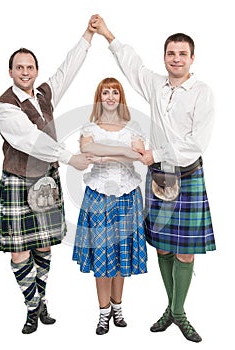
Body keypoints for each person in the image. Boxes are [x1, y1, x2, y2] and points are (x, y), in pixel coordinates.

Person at [90, 15, 216, 343]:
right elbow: (130, 62)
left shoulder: (202, 92)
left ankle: (178, 312)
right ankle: (172, 309)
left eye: (182, 54)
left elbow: (195, 144)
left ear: (192, 58)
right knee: (162, 248)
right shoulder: (156, 85)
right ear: (165, 57)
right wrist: (106, 33)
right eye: (171, 53)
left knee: (186, 252)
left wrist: (154, 153)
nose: (176, 59)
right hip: (159, 178)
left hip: (186, 176)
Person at [0, 22, 95, 334]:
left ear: (36, 70)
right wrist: (70, 157)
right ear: (10, 71)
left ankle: (42, 300)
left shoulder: (44, 94)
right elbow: (31, 140)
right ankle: (32, 306)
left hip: (45, 181)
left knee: (44, 246)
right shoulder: (3, 106)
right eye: (19, 67)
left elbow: (68, 68)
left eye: (30, 66)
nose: (25, 71)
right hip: (18, 182)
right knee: (19, 250)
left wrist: (88, 36)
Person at [72, 77, 148, 335]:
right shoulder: (89, 126)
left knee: (121, 254)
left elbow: (139, 155)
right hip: (98, 195)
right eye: (106, 92)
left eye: (115, 92)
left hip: (127, 196)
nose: (111, 97)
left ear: (121, 97)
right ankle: (103, 313)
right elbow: (87, 149)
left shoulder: (133, 127)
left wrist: (106, 155)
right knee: (103, 258)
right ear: (99, 96)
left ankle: (118, 308)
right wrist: (122, 152)